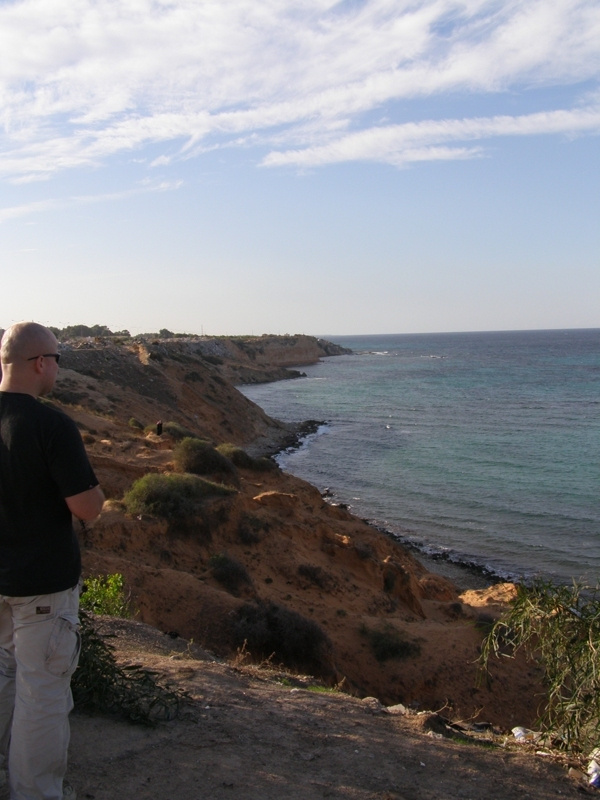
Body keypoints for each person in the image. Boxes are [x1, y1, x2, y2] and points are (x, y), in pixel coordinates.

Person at [0, 322, 104, 800]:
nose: (58, 367)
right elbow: (87, 507)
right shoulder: (49, 424)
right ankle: (35, 793)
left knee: (3, 679)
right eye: (58, 358)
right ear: (40, 363)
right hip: (41, 585)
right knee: (42, 694)